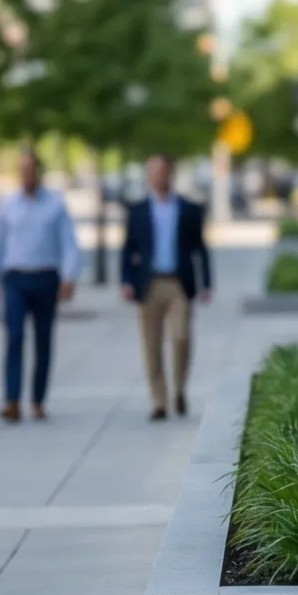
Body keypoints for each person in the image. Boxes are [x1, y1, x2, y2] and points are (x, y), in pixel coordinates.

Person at [0, 147, 81, 422]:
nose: (26, 174)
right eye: (22, 170)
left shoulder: (55, 204)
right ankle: (12, 399)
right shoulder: (7, 205)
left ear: (38, 172)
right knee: (14, 338)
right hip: (15, 278)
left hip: (45, 277)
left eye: (31, 169)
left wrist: (69, 276)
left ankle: (38, 399)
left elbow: (69, 244)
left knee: (43, 340)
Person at [120, 153, 213, 421]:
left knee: (181, 337)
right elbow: (129, 249)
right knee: (151, 345)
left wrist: (206, 282)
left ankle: (180, 389)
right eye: (153, 172)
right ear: (148, 176)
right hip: (148, 283)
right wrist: (126, 280)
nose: (159, 177)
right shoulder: (138, 211)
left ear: (170, 174)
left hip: (178, 284)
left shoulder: (188, 209)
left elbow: (200, 248)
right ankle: (159, 400)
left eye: (163, 171)